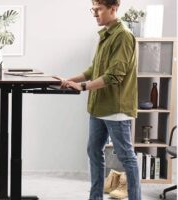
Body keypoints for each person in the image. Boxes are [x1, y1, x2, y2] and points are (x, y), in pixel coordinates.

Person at [60, 0, 141, 200]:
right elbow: (93, 70)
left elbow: (114, 76)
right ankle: (95, 197)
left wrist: (84, 87)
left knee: (126, 157)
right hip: (98, 107)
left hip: (115, 108)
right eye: (93, 9)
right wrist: (72, 80)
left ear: (113, 9)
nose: (95, 14)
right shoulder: (105, 35)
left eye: (99, 10)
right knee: (94, 151)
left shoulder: (122, 36)